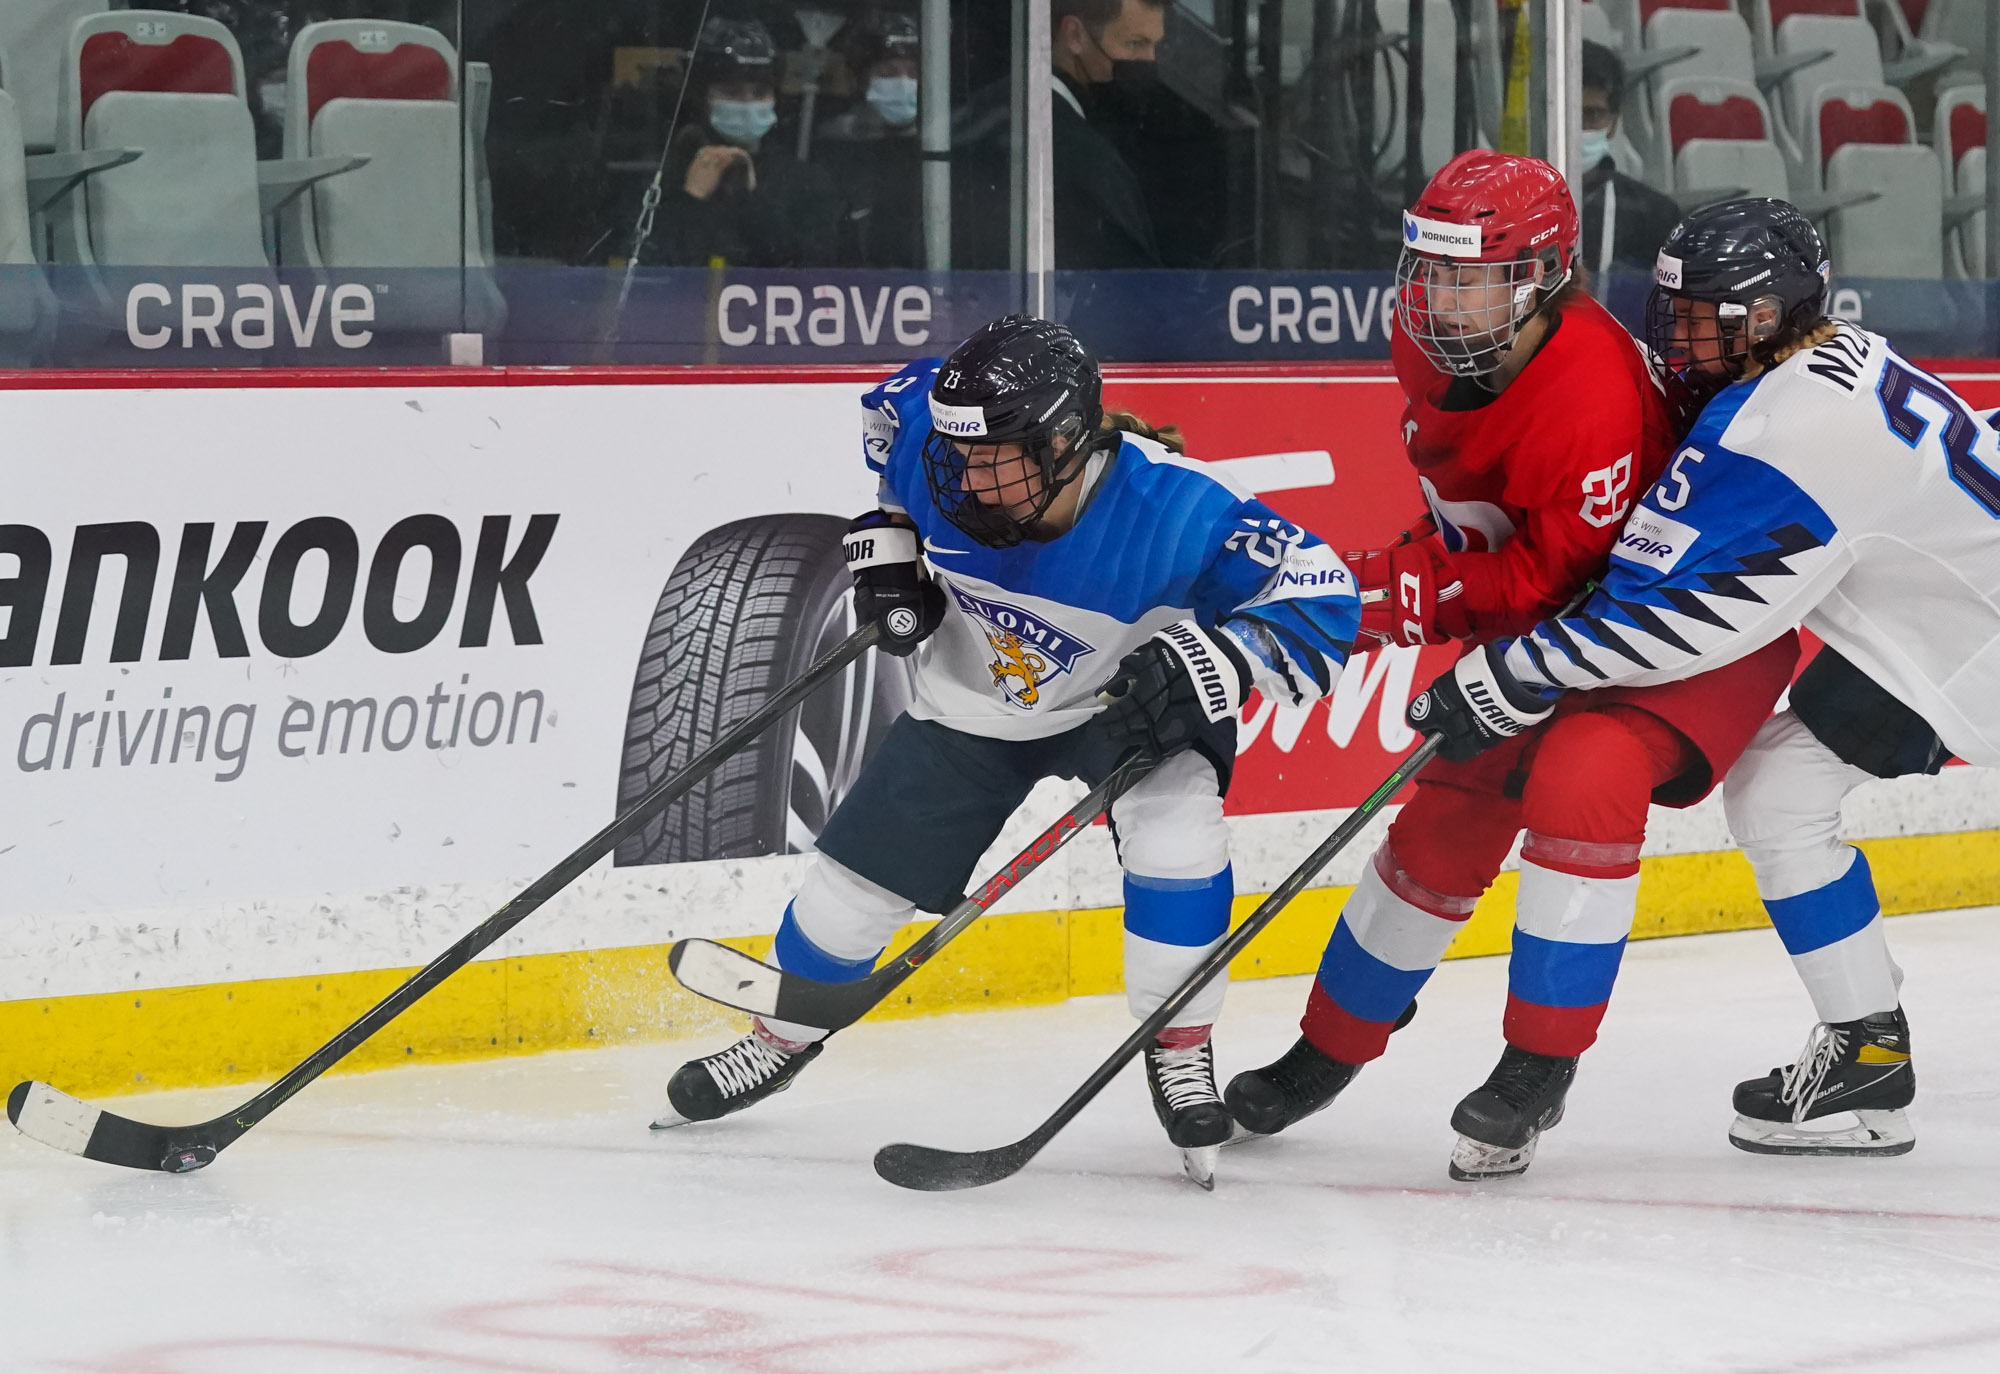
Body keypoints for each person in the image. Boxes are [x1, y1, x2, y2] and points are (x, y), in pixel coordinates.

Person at [655, 313, 1360, 1185]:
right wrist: (889, 552)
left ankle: (1180, 1049)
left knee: (1178, 843)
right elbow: (890, 444)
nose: (966, 477)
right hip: (976, 702)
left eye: (993, 458)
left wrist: (1213, 660)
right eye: (958, 454)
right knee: (849, 892)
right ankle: (780, 1037)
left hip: (1134, 705)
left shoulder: (1180, 510)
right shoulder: (929, 435)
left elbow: (1323, 593)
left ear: (1064, 443)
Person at [1223, 152, 1801, 1181]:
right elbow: (1480, 532)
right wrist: (1386, 584)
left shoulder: (1589, 393)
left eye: (1472, 277)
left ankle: (1538, 1063)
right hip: (1566, 619)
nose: (1440, 299)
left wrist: (1380, 598)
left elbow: (1542, 582)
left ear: (1542, 278)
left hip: (1686, 630)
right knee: (1447, 811)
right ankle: (1330, 1045)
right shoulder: (1431, 346)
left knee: (1583, 776)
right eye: (1430, 270)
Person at [1407, 197, 2000, 1159]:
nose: (1678, 336)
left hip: (1975, 635)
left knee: (1781, 789)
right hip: (1943, 629)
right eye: (1673, 310)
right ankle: (1867, 1056)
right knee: (1779, 788)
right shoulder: (1827, 361)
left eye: (1704, 316)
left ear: (1769, 316)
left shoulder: (1782, 426)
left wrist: (1517, 667)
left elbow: (1687, 620)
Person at [650, 16, 844, 268]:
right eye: (731, 92)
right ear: (703, 97)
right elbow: (643, 266)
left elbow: (817, 270)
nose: (747, 103)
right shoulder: (668, 175)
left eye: (759, 93)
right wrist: (692, 199)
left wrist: (752, 201)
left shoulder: (805, 182)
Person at [1050, 0, 1166, 268]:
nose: (1149, 61)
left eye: (1155, 46)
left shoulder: (998, 109)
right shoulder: (1082, 155)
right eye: (1135, 44)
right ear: (1075, 35)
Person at [820, 10, 924, 268]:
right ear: (862, 80)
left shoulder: (941, 150)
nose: (903, 83)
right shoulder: (834, 149)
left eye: (914, 73)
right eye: (887, 73)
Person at [1579, 41, 1682, 278]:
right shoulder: (1509, 206)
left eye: (1592, 114)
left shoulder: (1655, 216)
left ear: (1613, 123)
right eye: (1567, 112)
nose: (1577, 126)